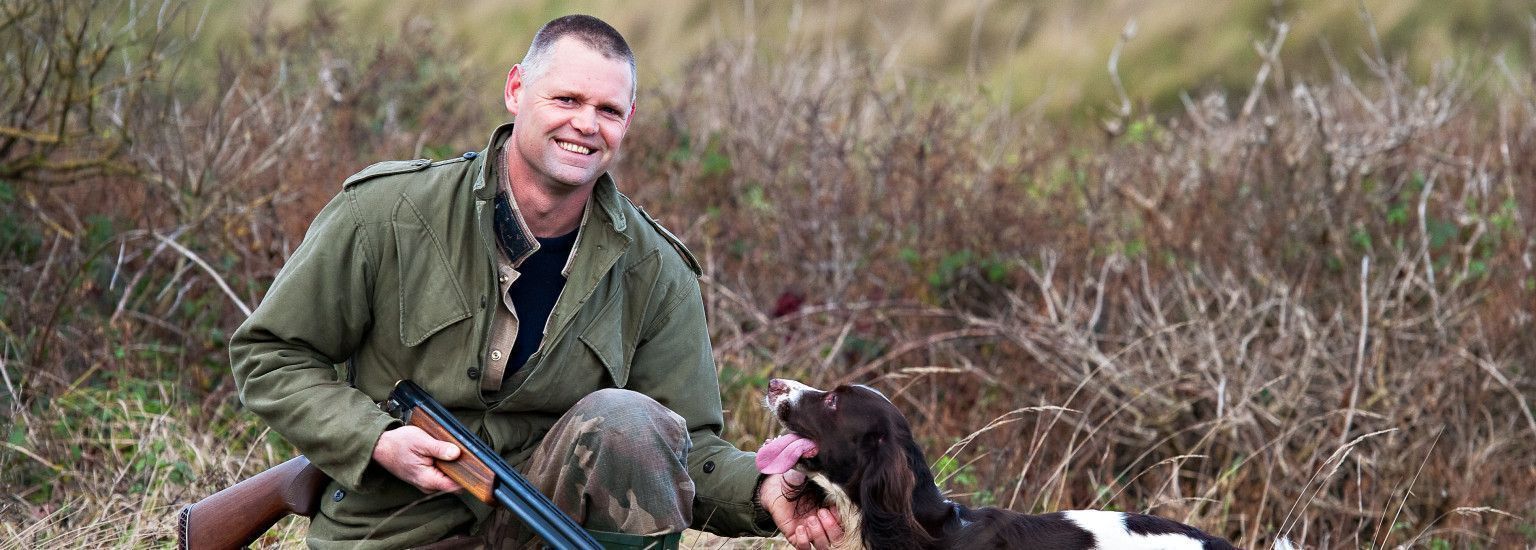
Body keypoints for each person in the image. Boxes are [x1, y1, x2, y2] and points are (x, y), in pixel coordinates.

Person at [230, 14, 843, 550]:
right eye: (566, 100)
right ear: (516, 89)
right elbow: (271, 355)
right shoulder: (386, 213)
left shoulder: (654, 268)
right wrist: (377, 439)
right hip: (389, 530)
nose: (585, 125)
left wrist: (767, 493)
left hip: (544, 529)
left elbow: (688, 451)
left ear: (628, 120)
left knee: (630, 419)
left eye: (607, 111)